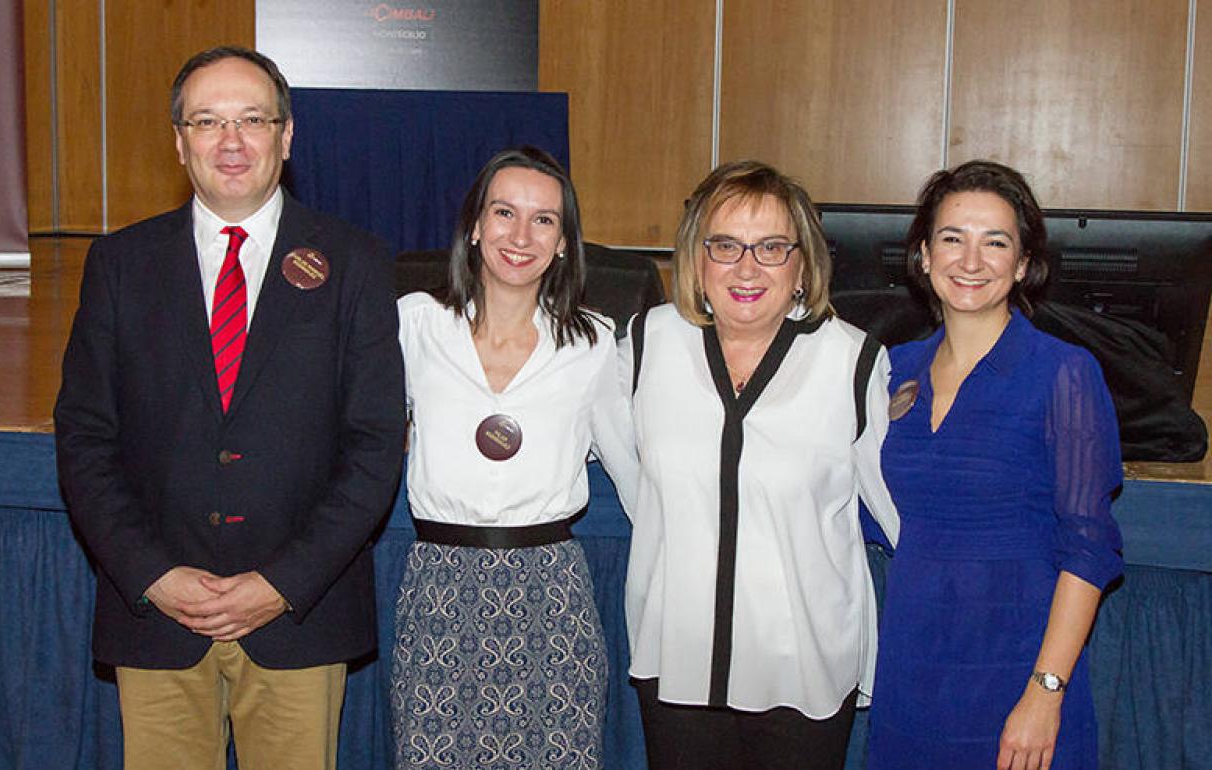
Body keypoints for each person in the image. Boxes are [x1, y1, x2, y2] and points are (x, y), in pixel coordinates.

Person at [53, 46, 405, 770]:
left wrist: (281, 584)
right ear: (179, 142)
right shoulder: (119, 265)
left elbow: (374, 446)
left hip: (298, 619)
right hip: (157, 616)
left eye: (252, 119)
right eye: (207, 121)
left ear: (287, 134)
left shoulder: (357, 263)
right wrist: (153, 575)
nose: (231, 141)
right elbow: (85, 439)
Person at [624, 160, 900, 770]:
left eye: (772, 247)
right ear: (697, 258)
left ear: (803, 266)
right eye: (725, 246)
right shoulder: (646, 344)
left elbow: (899, 513)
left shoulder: (852, 362)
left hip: (803, 672)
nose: (746, 268)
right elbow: (625, 472)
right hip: (679, 662)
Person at [866, 160, 1124, 770]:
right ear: (924, 256)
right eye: (952, 238)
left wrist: (1046, 692)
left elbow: (1089, 550)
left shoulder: (1062, 372)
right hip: (912, 666)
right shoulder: (891, 370)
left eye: (996, 242)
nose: (971, 261)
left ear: (1025, 263)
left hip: (1018, 667)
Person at [389, 147, 637, 769]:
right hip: (441, 587)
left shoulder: (595, 343)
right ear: (474, 226)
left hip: (551, 593)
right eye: (504, 212)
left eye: (544, 220)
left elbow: (636, 479)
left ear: (563, 243)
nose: (521, 236)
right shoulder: (415, 326)